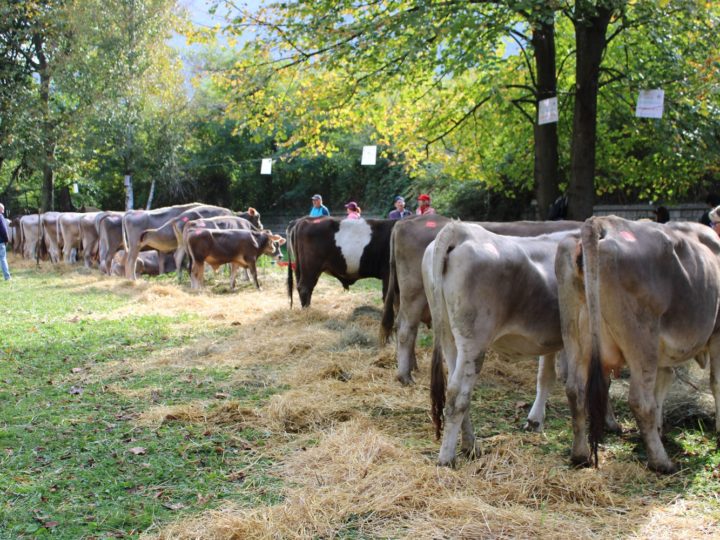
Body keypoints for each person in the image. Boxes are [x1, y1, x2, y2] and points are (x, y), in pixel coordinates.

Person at [0, 203, 11, 281]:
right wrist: (6, 239)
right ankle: (7, 277)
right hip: (0, 241)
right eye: (2, 209)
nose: (3, 211)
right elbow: (3, 229)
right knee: (3, 258)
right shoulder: (0, 217)